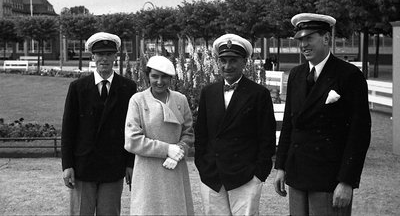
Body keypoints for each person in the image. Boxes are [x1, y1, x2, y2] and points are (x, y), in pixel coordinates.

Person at [273, 13, 371, 215]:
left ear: (326, 39)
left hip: (329, 178)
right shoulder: (296, 74)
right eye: (300, 39)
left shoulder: (349, 76)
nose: (303, 45)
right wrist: (281, 167)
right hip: (298, 173)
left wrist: (347, 181)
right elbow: (290, 124)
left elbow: (359, 134)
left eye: (309, 38)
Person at [195, 33, 277, 215]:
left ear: (244, 62)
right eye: (223, 60)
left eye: (233, 60)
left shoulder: (258, 94)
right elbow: (201, 133)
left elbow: (267, 138)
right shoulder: (208, 92)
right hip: (212, 175)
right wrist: (202, 165)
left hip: (244, 176)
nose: (227, 66)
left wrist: (258, 175)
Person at [61, 32, 137, 215]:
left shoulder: (128, 88)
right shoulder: (78, 87)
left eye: (109, 54)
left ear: (115, 57)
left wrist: (130, 164)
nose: (104, 59)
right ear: (92, 56)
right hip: (83, 166)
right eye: (100, 54)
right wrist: (67, 165)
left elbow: (133, 128)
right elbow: (68, 129)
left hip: (113, 165)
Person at [124, 55, 195, 215]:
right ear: (147, 76)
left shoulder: (180, 100)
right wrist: (167, 149)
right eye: (155, 76)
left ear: (171, 78)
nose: (159, 81)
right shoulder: (138, 100)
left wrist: (180, 150)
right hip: (148, 173)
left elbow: (188, 133)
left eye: (164, 77)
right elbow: (132, 140)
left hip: (175, 169)